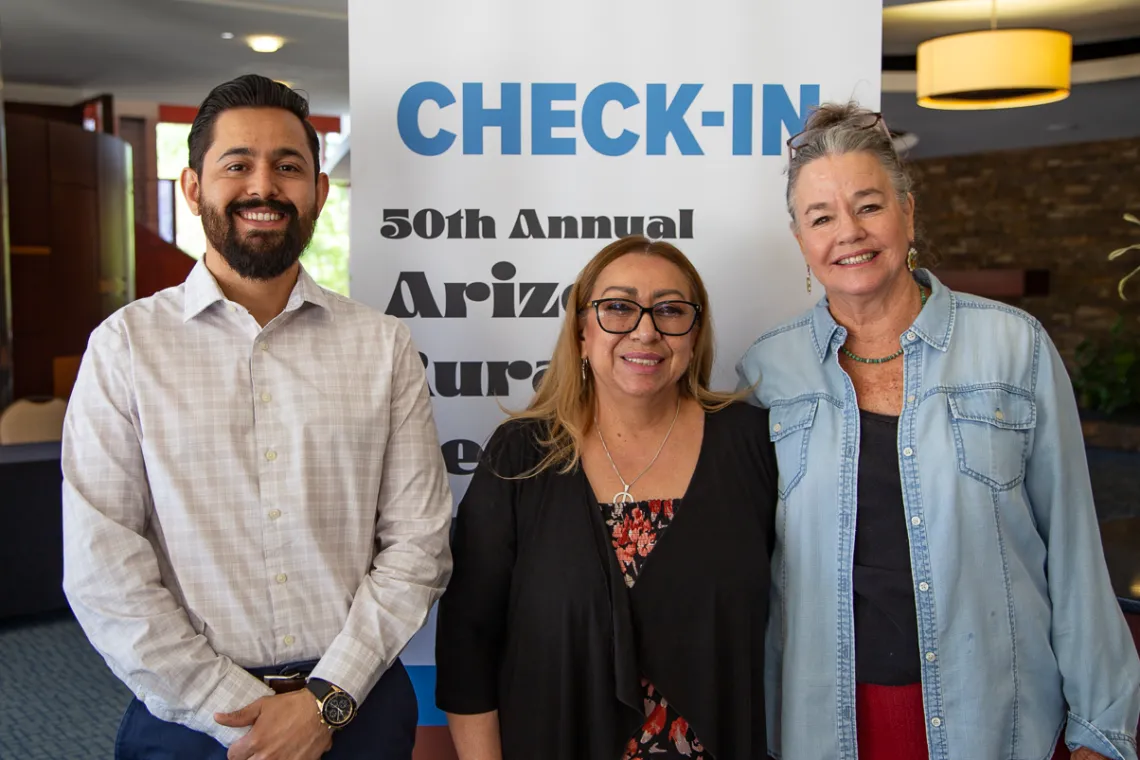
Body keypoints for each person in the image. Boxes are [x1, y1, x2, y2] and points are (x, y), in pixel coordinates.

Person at [62, 74, 453, 760]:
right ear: (193, 188)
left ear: (319, 192)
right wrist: (237, 719)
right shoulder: (125, 349)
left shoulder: (381, 345)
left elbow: (418, 546)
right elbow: (104, 571)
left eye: (289, 166)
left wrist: (325, 703)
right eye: (237, 164)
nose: (263, 187)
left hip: (357, 709)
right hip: (188, 724)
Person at [738, 102, 1140, 760]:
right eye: (821, 217)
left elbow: (1073, 551)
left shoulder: (1014, 348)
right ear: (801, 242)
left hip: (994, 721)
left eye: (869, 205)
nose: (849, 232)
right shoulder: (767, 372)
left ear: (908, 214)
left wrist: (1101, 732)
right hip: (825, 726)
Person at [435, 236, 778, 760]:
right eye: (618, 307)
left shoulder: (753, 443)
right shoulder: (523, 454)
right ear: (580, 332)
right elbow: (468, 638)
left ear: (694, 334)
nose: (646, 330)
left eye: (670, 310)